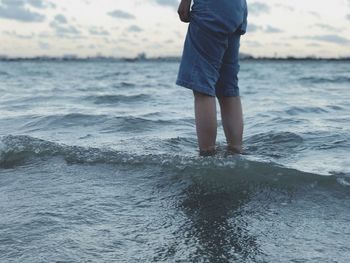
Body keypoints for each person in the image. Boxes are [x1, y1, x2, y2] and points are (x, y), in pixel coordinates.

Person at [176, 0, 248, 156]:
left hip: (212, 8)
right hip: (237, 9)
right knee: (228, 89)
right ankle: (236, 150)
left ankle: (207, 156)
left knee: (203, 89)